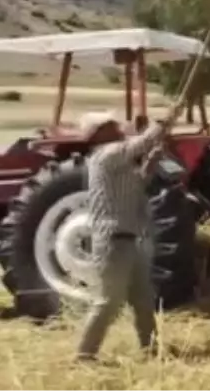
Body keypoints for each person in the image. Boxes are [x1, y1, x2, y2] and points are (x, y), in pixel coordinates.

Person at [75, 101, 184, 363]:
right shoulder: (107, 154)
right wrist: (168, 118)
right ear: (99, 134)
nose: (118, 126)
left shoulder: (114, 160)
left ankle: (151, 350)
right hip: (113, 240)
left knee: (143, 299)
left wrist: (150, 163)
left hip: (129, 239)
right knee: (108, 302)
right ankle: (84, 355)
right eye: (111, 125)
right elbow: (144, 141)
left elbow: (137, 186)